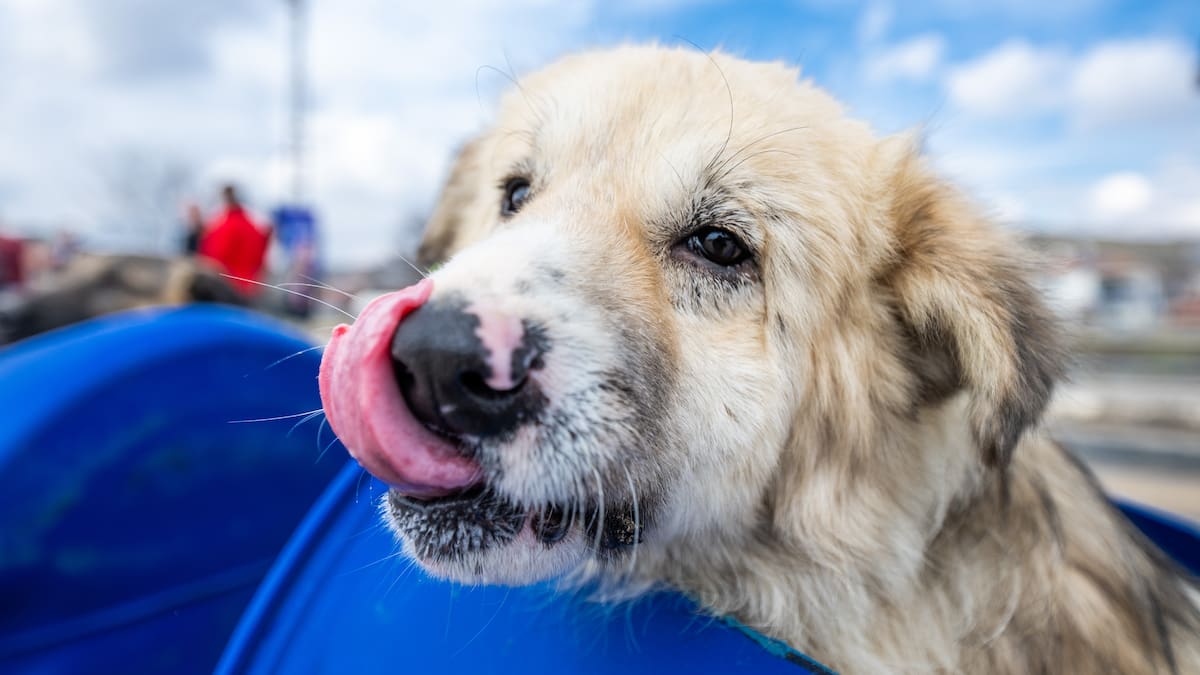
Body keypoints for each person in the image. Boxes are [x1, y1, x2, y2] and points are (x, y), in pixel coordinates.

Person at [197, 184, 271, 296]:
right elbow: (262, 256)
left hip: (225, 289)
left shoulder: (221, 227)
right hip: (249, 288)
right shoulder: (254, 228)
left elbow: (211, 259)